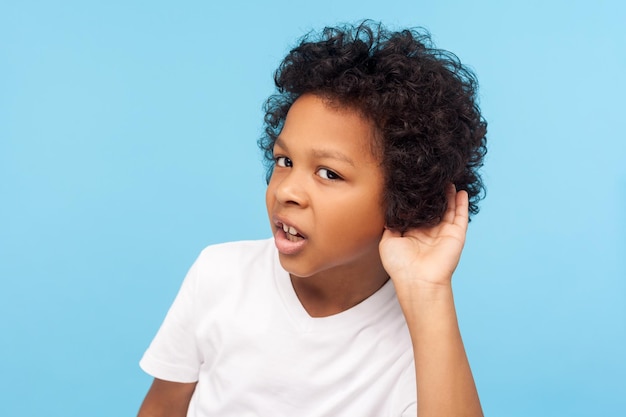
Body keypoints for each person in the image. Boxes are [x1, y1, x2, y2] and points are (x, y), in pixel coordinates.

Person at [137, 20, 487, 417]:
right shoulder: (219, 275)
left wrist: (429, 292)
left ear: (403, 197)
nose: (285, 191)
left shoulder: (424, 350)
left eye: (329, 173)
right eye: (284, 161)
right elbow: (161, 409)